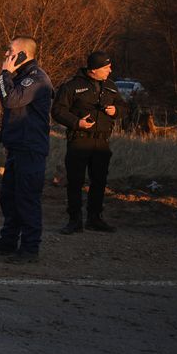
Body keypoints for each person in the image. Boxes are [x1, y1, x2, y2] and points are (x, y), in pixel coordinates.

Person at [0, 36, 54, 264]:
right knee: (9, 198)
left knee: (26, 199)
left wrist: (4, 74)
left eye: (10, 51)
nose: (6, 55)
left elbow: (11, 101)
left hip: (30, 150)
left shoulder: (36, 79)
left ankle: (30, 249)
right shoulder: (22, 77)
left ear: (22, 54)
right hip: (17, 148)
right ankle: (8, 241)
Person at [52, 51, 127, 234]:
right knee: (76, 182)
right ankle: (74, 220)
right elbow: (58, 111)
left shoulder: (111, 87)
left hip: (101, 142)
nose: (110, 70)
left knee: (99, 181)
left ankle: (95, 219)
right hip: (79, 141)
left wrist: (115, 111)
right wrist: (77, 123)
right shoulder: (71, 87)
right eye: (106, 67)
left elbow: (124, 107)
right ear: (93, 70)